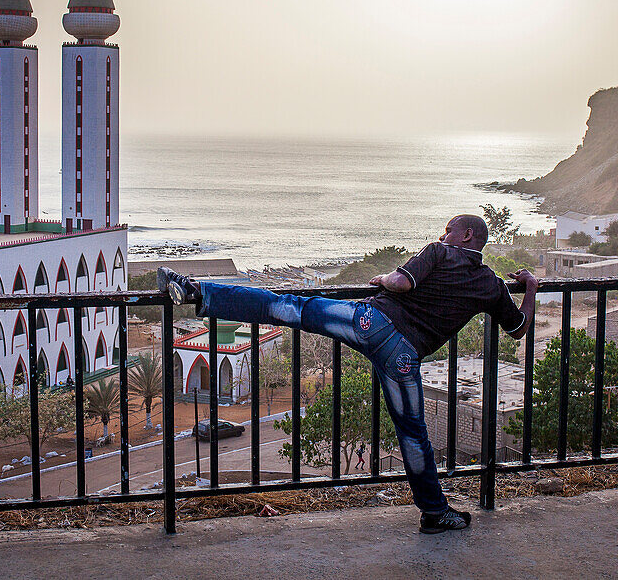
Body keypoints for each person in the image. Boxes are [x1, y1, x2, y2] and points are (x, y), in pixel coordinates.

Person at [158, 214, 538, 534]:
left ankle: (197, 293)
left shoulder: (440, 252)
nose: (443, 235)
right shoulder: (491, 285)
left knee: (288, 307)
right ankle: (436, 513)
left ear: (466, 235)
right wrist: (531, 287)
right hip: (403, 357)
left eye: (449, 229)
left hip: (371, 324)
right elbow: (518, 328)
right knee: (414, 435)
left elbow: (402, 283)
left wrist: (385, 279)